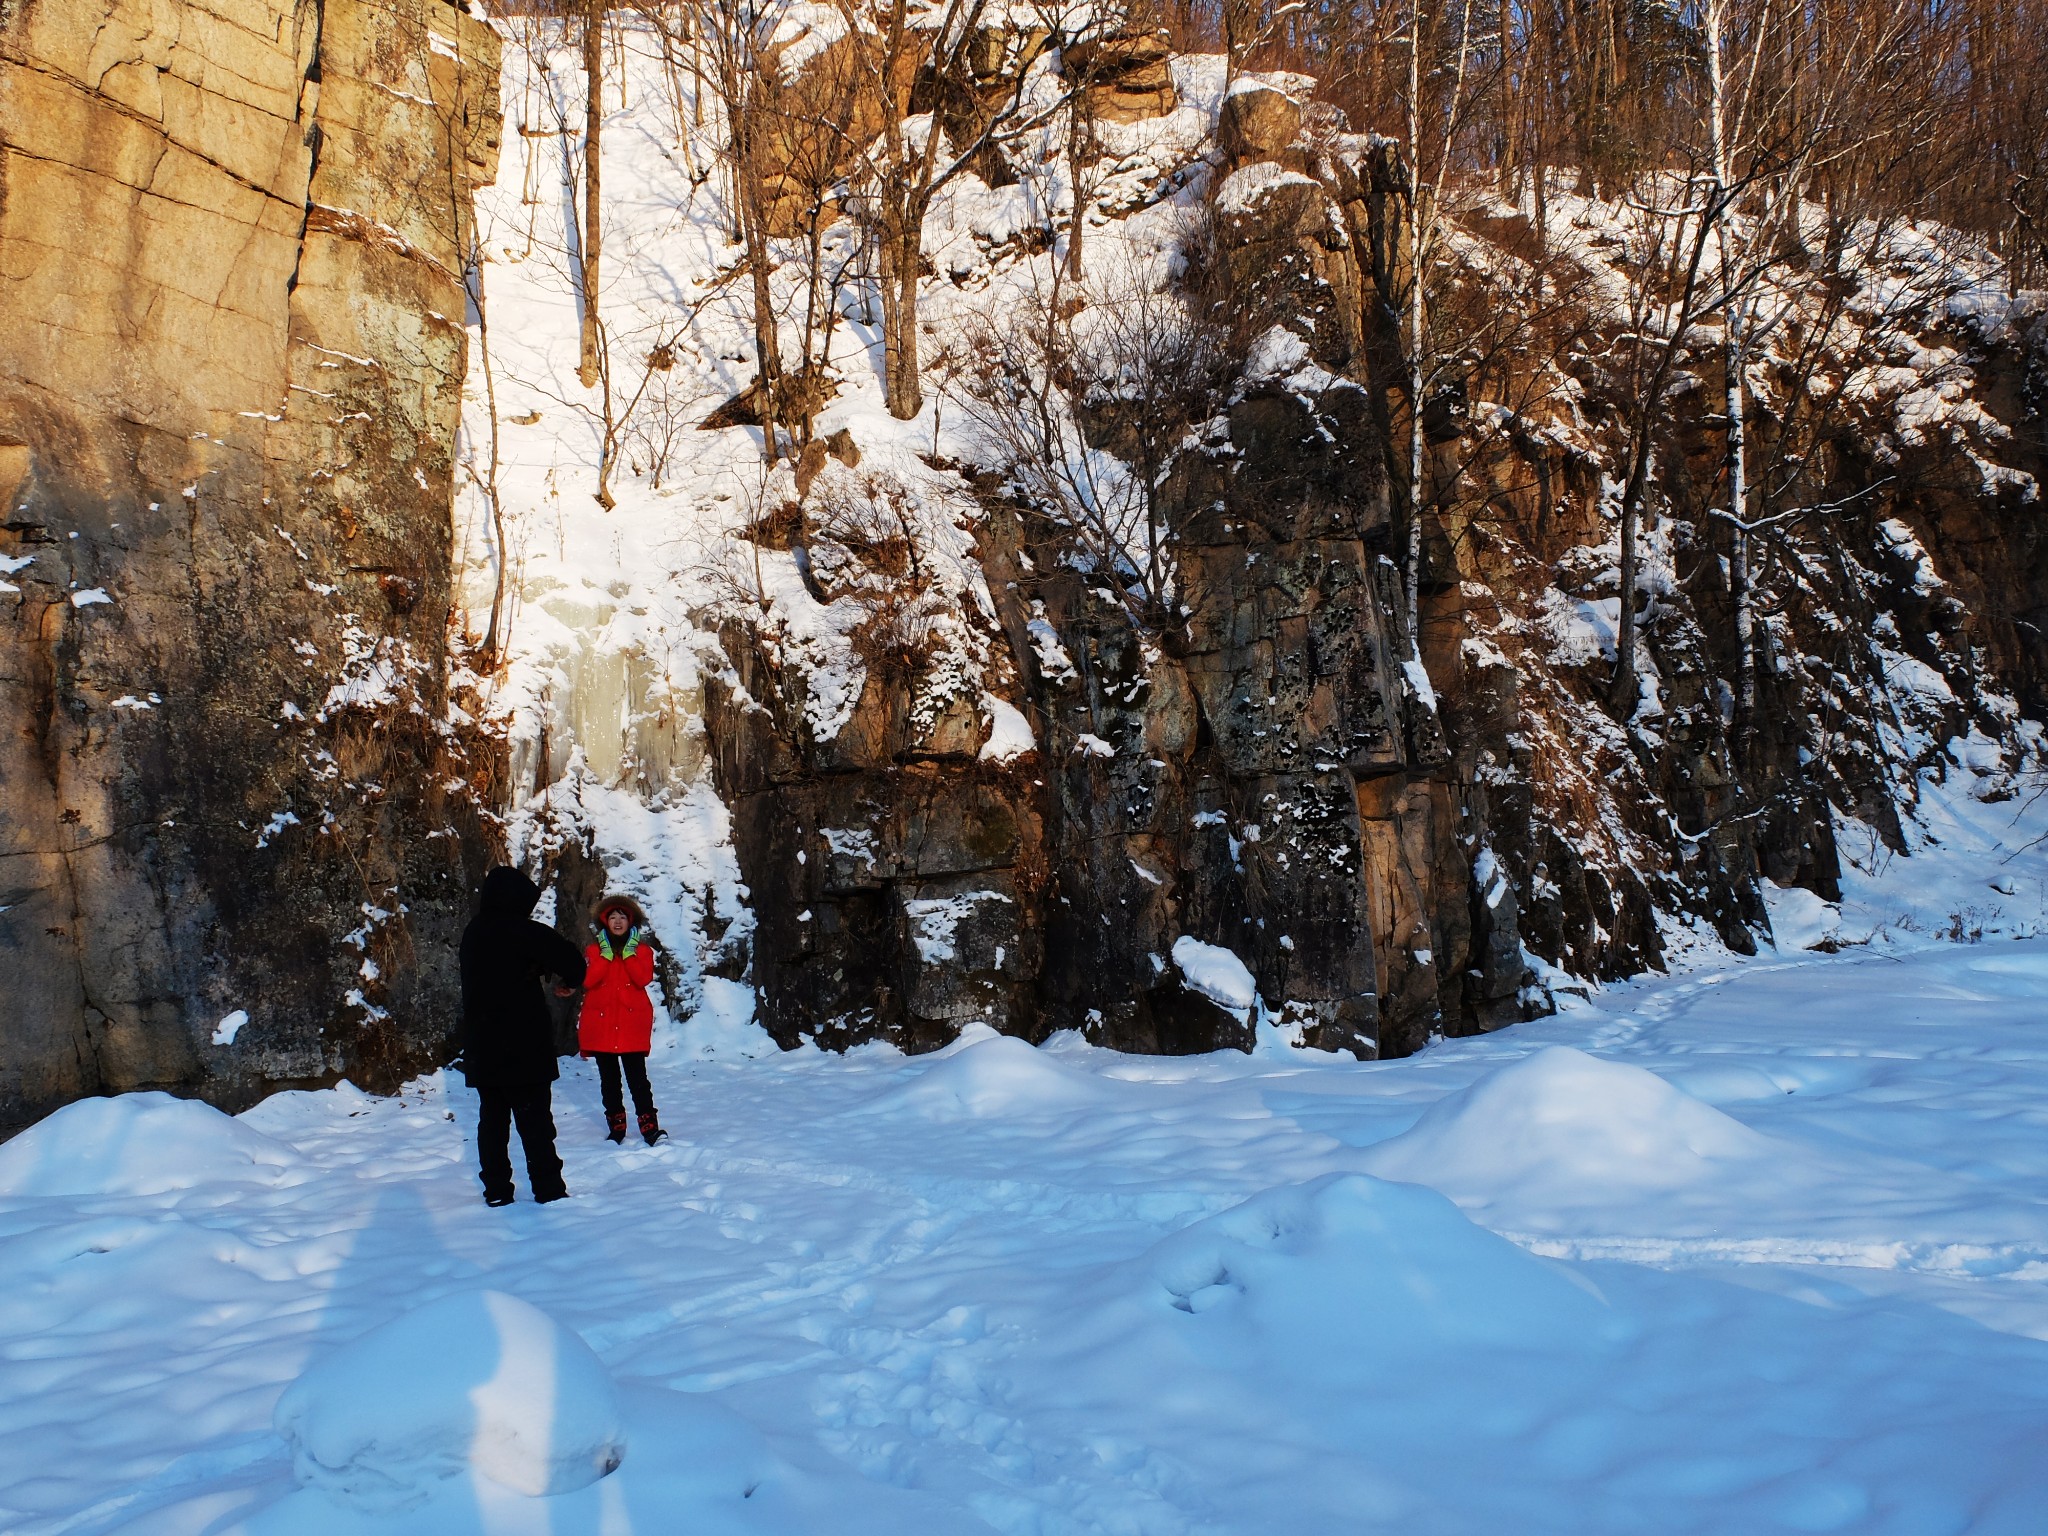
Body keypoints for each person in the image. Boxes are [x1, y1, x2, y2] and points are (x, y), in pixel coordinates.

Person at [457, 866, 587, 1206]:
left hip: (483, 1046)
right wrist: (565, 982)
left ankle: (497, 1191)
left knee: (492, 1122)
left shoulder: (473, 933)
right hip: (523, 1045)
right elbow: (572, 960)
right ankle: (548, 1189)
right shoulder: (525, 932)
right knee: (535, 1123)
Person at [578, 895, 667, 1146]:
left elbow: (642, 978)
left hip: (630, 1023)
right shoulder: (594, 950)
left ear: (631, 921)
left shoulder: (642, 951)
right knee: (609, 1080)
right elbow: (588, 980)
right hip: (602, 1023)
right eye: (613, 917)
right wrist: (606, 956)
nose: (618, 922)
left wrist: (628, 954)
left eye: (623, 917)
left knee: (637, 1078)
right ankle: (616, 1128)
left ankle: (649, 1127)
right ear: (605, 922)